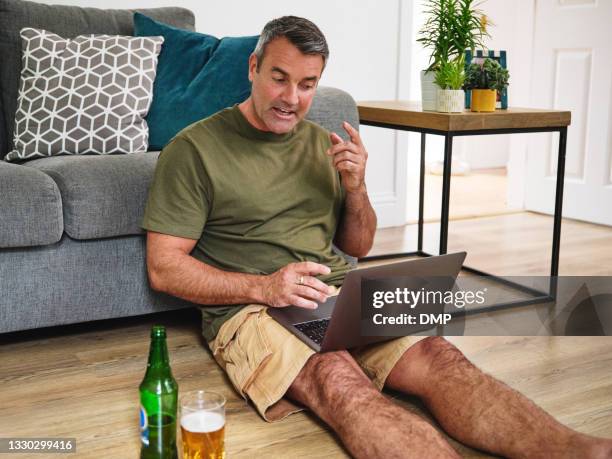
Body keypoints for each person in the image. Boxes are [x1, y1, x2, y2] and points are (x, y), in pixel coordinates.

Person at [141, 16, 612, 459]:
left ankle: (584, 451)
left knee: (442, 358)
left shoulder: (322, 144)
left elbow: (358, 247)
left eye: (307, 85)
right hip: (253, 308)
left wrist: (356, 187)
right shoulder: (194, 149)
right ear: (253, 67)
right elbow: (164, 268)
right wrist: (262, 287)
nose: (291, 97)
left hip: (340, 293)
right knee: (338, 378)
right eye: (279, 78)